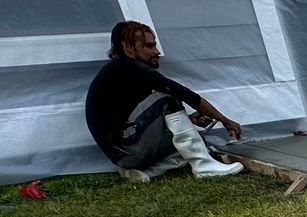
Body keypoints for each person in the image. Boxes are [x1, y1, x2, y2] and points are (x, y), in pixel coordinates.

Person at [86, 21, 245, 182]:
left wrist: (188, 120)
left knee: (196, 143)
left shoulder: (123, 73)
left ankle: (150, 172)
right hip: (128, 149)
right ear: (128, 47)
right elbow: (187, 95)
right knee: (167, 99)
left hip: (124, 155)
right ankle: (203, 166)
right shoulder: (129, 67)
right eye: (149, 46)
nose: (157, 52)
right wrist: (226, 121)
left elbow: (133, 117)